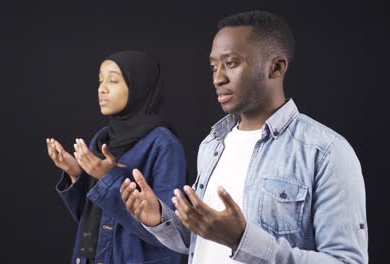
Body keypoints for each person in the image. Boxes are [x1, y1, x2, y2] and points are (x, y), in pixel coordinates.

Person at [121, 11, 368, 264]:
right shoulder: (213, 144)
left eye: (231, 63)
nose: (218, 78)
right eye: (213, 66)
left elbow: (347, 261)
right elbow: (200, 238)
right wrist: (159, 218)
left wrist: (242, 241)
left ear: (276, 67)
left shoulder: (326, 151)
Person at [46, 50, 186, 264]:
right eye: (100, 80)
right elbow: (90, 218)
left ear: (138, 85)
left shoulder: (163, 143)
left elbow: (173, 232)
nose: (102, 89)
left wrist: (108, 177)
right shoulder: (103, 138)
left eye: (113, 80)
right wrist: (76, 174)